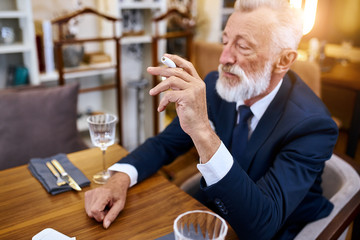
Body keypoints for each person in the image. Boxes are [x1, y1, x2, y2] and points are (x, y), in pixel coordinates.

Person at [85, 0, 339, 239]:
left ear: (283, 60)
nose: (224, 58)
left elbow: (262, 225)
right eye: (225, 41)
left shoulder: (313, 126)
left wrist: (203, 132)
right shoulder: (217, 85)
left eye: (243, 46)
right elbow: (165, 144)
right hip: (217, 215)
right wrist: (119, 179)